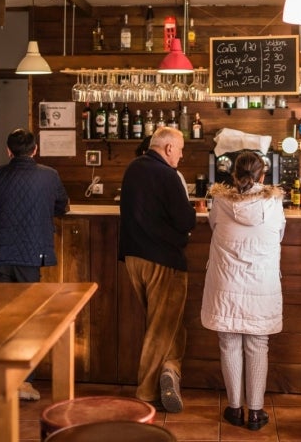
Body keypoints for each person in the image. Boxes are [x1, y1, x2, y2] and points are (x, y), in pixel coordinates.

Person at [0, 127, 69, 400]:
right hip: (31, 258)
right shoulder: (49, 176)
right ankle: (24, 383)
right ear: (35, 150)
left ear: (8, 151)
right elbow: (62, 205)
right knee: (28, 321)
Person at [201, 151, 286, 431]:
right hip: (261, 284)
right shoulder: (274, 202)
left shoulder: (220, 201)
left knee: (229, 343)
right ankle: (255, 413)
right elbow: (280, 232)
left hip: (226, 283)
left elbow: (214, 227)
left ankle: (235, 409)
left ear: (233, 174)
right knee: (257, 344)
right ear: (263, 175)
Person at [119, 126, 197, 413]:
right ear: (167, 149)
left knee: (169, 323)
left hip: (133, 258)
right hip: (163, 260)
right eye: (179, 151)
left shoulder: (133, 169)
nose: (180, 156)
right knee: (161, 327)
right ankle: (147, 391)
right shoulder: (167, 175)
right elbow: (185, 220)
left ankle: (170, 372)